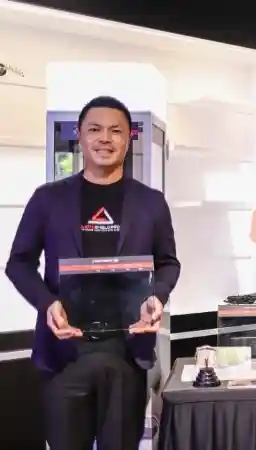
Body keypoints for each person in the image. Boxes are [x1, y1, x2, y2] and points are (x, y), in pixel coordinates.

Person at [5, 96, 181, 450]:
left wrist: (157, 297)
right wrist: (47, 303)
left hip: (127, 355)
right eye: (95, 130)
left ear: (129, 138)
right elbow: (18, 262)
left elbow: (168, 263)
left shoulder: (150, 202)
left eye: (115, 131)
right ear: (79, 135)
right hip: (64, 355)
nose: (105, 138)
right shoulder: (48, 199)